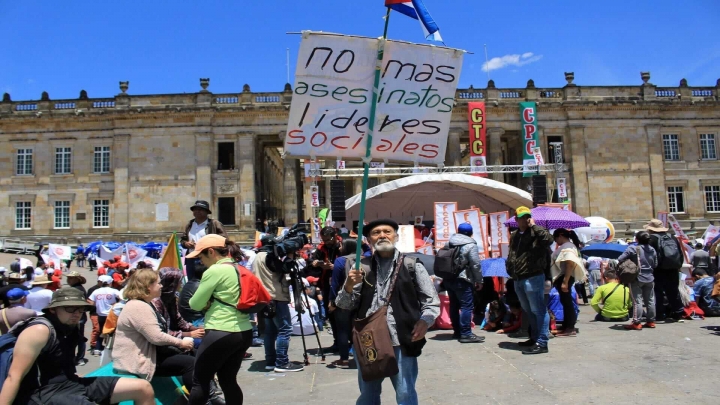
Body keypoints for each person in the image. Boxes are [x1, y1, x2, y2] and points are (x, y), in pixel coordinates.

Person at [336, 219, 440, 405]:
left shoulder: (412, 265)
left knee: (405, 393)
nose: (382, 235)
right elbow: (344, 305)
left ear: (396, 236)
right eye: (376, 233)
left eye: (387, 231)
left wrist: (425, 322)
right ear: (368, 239)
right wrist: (350, 285)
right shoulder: (361, 267)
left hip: (402, 338)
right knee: (368, 395)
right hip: (368, 340)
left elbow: (431, 302)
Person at [0, 287, 155, 405]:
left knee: (143, 388)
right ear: (53, 309)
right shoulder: (40, 330)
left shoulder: (70, 326)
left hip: (71, 383)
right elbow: (14, 376)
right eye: (70, 308)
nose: (76, 313)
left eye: (80, 309)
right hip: (44, 393)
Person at [112, 269, 199, 399]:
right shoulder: (138, 306)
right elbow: (156, 337)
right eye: (158, 283)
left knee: (195, 354)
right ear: (148, 286)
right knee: (190, 364)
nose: (161, 286)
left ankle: (205, 394)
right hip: (139, 360)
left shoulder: (145, 304)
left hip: (151, 354)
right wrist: (181, 342)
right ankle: (198, 399)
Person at [187, 234, 254, 404]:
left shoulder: (215, 270)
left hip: (221, 330)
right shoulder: (238, 267)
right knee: (228, 379)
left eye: (200, 256)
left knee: (200, 380)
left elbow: (194, 303)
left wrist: (206, 303)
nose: (200, 261)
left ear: (211, 252)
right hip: (244, 331)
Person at [506, 206, 554, 354]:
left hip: (533, 276)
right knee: (528, 310)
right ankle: (534, 337)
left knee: (538, 310)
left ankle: (542, 342)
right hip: (518, 277)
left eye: (527, 216)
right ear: (516, 219)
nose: (525, 219)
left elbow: (548, 239)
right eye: (522, 217)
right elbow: (513, 253)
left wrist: (534, 226)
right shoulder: (515, 235)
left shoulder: (536, 232)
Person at [255, 238, 304, 372]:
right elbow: (283, 269)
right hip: (276, 297)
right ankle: (282, 362)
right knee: (285, 329)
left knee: (270, 331)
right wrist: (288, 258)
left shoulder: (257, 256)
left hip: (263, 298)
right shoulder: (271, 256)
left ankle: (270, 360)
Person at [443, 222, 485, 343]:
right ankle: (466, 333)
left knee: (454, 306)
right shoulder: (470, 245)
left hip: (449, 278)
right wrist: (479, 280)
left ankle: (457, 331)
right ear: (471, 233)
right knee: (467, 306)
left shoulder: (449, 242)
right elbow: (475, 264)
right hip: (463, 279)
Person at [328, 238, 364, 368]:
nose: (339, 248)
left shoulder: (340, 261)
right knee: (360, 329)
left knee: (342, 329)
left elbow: (335, 283)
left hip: (343, 299)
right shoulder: (364, 260)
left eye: (341, 245)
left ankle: (344, 359)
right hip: (362, 300)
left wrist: (332, 301)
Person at [644, 219, 685, 322]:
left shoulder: (652, 239)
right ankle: (678, 313)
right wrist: (678, 265)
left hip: (659, 269)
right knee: (674, 291)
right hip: (673, 268)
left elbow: (649, 255)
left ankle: (660, 314)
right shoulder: (672, 237)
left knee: (658, 291)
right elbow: (680, 253)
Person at [152, 268, 204, 344]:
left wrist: (194, 328)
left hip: (176, 334)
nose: (181, 284)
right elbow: (161, 332)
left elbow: (178, 319)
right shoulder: (156, 302)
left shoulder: (171, 297)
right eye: (179, 282)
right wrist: (189, 334)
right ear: (172, 283)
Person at [549, 229, 586, 337]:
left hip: (565, 278)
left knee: (567, 302)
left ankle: (570, 327)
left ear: (560, 236)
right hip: (564, 277)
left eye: (556, 239)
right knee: (565, 301)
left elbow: (570, 263)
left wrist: (565, 281)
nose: (556, 241)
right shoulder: (568, 246)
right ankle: (567, 325)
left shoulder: (567, 247)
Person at [619, 231, 658, 330]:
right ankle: (651, 321)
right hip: (650, 277)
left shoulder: (633, 248)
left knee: (637, 301)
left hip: (637, 277)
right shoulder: (652, 249)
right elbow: (655, 264)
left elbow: (620, 258)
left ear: (636, 239)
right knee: (650, 300)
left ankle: (637, 322)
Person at [180, 200, 227, 281]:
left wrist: (208, 245)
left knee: (207, 281)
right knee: (192, 282)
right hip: (191, 258)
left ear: (206, 212)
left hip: (207, 258)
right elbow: (183, 240)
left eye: (200, 209)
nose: (197, 211)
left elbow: (224, 239)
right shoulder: (190, 224)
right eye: (195, 209)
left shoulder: (214, 224)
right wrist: (186, 244)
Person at [87, 275, 121, 354]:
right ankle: (110, 348)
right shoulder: (113, 291)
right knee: (112, 331)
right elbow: (123, 297)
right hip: (111, 314)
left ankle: (97, 348)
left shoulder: (96, 291)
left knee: (101, 331)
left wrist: (97, 304)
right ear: (110, 283)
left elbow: (89, 300)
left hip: (100, 315)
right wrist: (116, 304)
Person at [66, 271, 90, 366]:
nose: (69, 280)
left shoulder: (77, 290)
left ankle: (79, 357)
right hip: (77, 317)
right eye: (68, 278)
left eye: (71, 278)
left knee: (78, 338)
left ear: (77, 279)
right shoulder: (76, 288)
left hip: (78, 317)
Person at [86, 275, 103, 354]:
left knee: (103, 330)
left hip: (104, 313)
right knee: (96, 329)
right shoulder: (92, 289)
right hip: (94, 312)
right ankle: (93, 345)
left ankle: (99, 345)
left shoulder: (108, 290)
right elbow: (88, 300)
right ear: (99, 281)